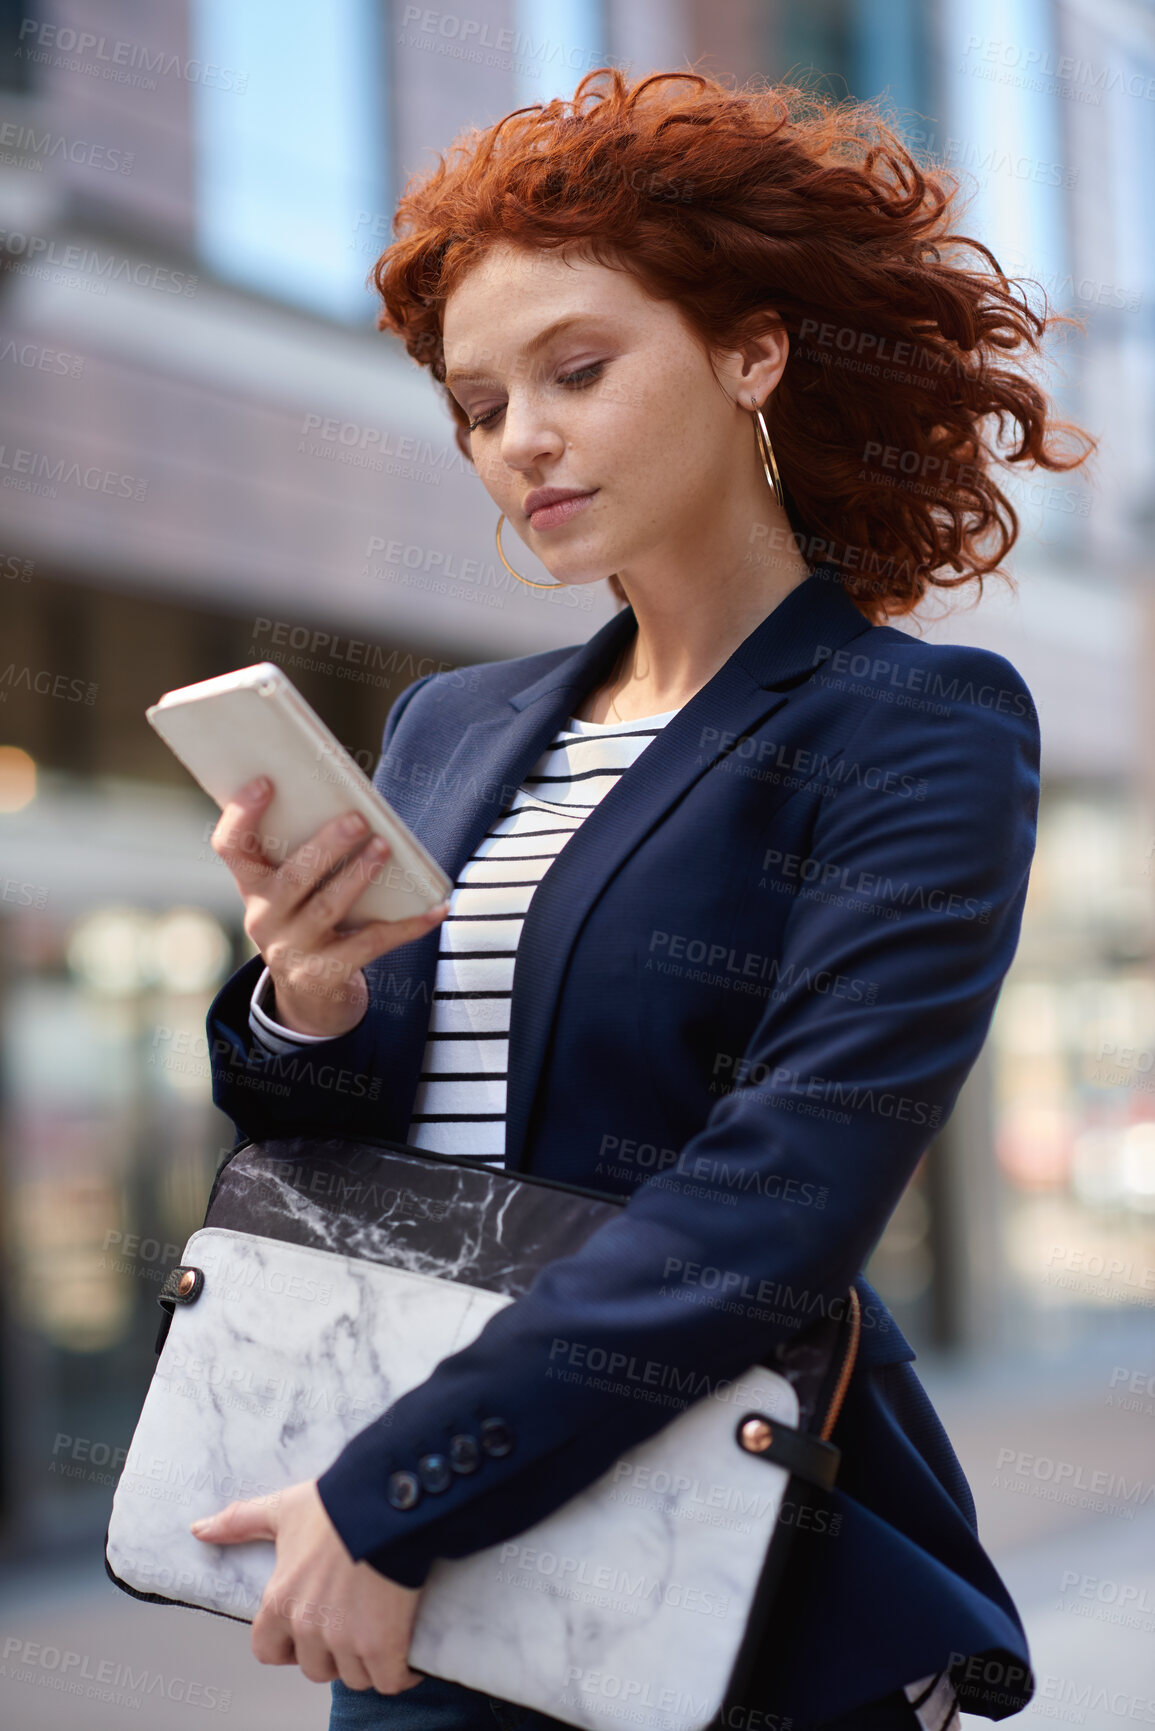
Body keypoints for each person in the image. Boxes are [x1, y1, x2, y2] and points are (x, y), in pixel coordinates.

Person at [191, 67, 1093, 1731]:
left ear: (753, 354)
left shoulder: (917, 729)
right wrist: (302, 1000)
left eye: (578, 370)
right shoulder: (452, 727)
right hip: (409, 1566)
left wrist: (399, 1495)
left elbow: (778, 1192)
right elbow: (355, 1148)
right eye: (477, 405)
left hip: (691, 1552)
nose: (519, 437)